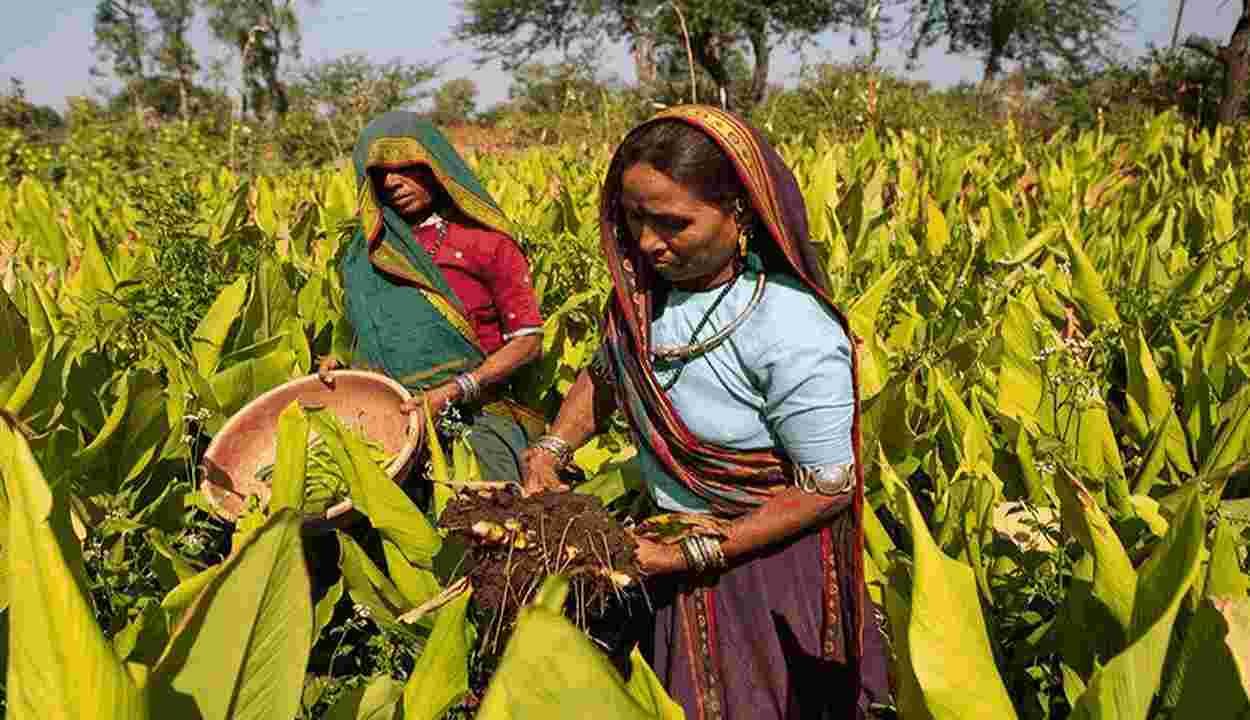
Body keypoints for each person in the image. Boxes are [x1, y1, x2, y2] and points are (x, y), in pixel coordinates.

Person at [522, 106, 890, 719]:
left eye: (673, 224)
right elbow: (609, 372)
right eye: (634, 218)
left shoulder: (791, 327)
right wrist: (553, 447)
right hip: (668, 552)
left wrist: (689, 554)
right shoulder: (642, 302)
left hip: (763, 571)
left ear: (739, 212)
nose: (648, 242)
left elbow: (827, 488)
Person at [320, 111, 546, 483]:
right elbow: (362, 331)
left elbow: (528, 342)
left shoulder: (486, 243)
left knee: (492, 511)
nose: (392, 182)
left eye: (404, 167)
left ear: (435, 164)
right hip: (385, 424)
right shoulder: (364, 253)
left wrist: (456, 390)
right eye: (379, 174)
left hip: (475, 417)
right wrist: (340, 362)